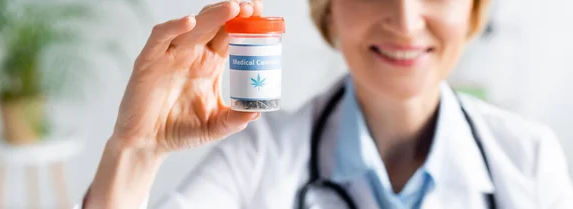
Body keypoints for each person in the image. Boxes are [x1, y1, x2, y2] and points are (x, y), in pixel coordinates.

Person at [79, 0, 573, 208]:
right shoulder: (259, 157)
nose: (404, 20)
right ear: (329, 10)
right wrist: (137, 149)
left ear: (472, 10)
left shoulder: (528, 159)